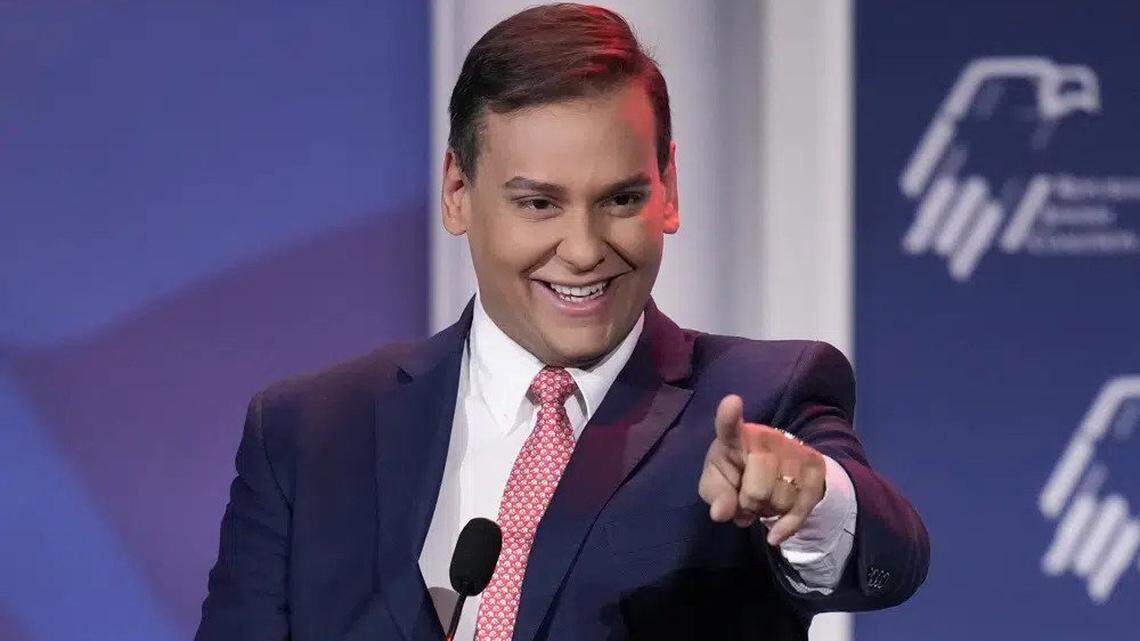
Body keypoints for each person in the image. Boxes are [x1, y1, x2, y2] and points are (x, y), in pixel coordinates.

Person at [195, 4, 929, 640]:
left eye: (619, 199)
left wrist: (812, 496)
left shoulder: (763, 396)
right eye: (539, 203)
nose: (582, 251)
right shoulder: (308, 431)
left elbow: (886, 551)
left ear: (668, 188)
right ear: (457, 190)